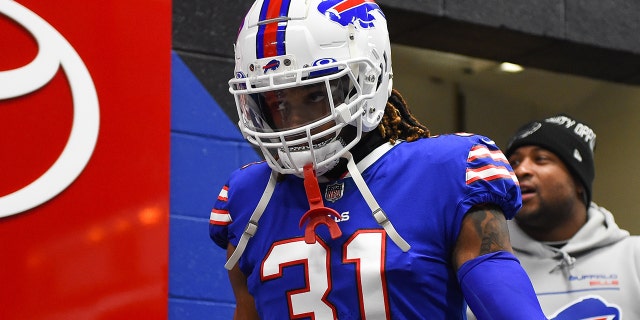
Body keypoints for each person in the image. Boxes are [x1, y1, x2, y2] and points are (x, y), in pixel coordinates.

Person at [209, 0, 546, 319]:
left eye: (315, 95)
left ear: (369, 79)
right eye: (277, 103)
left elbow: (510, 310)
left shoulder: (446, 171)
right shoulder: (248, 197)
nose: (295, 121)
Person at [502, 114, 640, 319]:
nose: (521, 170)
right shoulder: (488, 263)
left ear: (578, 182)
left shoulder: (633, 257)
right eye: (513, 162)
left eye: (540, 159)